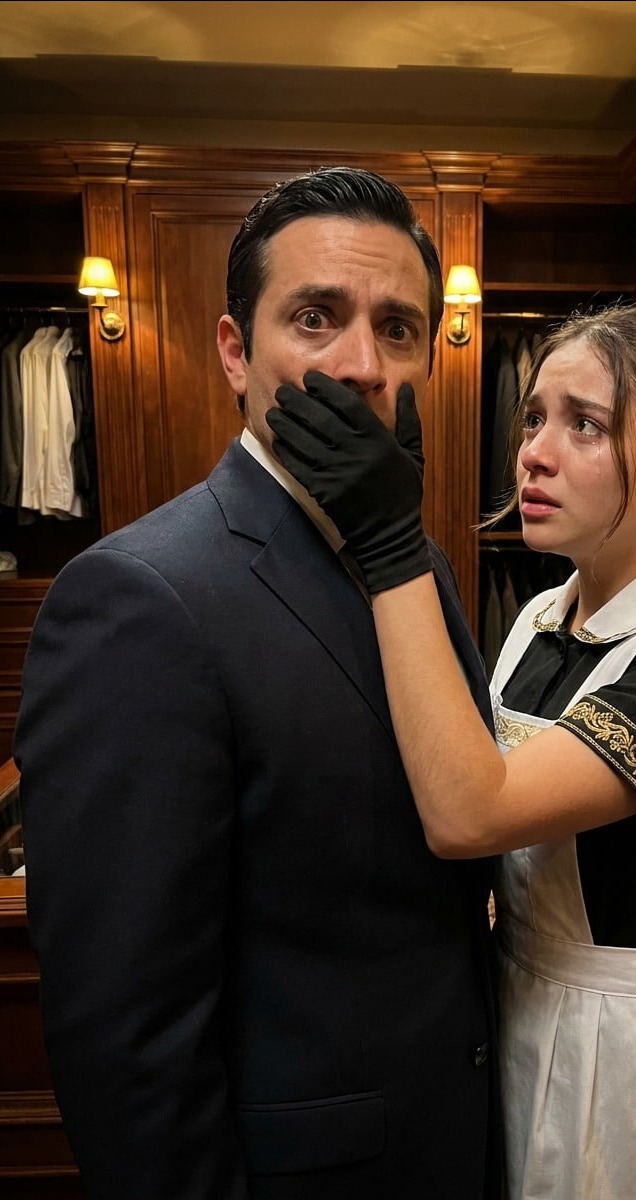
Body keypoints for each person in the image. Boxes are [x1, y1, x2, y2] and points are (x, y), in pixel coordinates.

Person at [14, 166, 502, 1200]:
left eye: (398, 329)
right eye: (316, 319)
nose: (362, 366)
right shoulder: (139, 598)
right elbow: (126, 1034)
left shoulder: (419, 564)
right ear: (236, 352)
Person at [265, 303, 636, 1200]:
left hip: (633, 1054)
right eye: (535, 418)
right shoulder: (545, 615)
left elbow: (473, 812)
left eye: (585, 425)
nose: (534, 455)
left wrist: (392, 545)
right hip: (515, 1004)